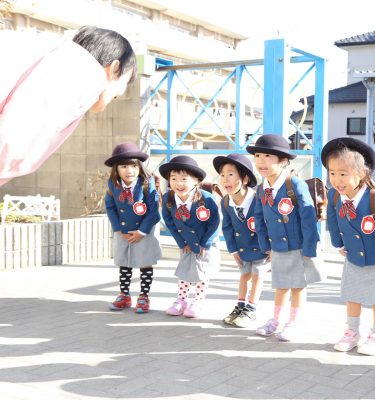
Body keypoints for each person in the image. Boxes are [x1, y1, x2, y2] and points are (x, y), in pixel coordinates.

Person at [0, 25, 137, 186]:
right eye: (126, 81)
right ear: (115, 68)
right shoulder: (83, 74)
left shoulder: (52, 52)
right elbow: (15, 139)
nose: (120, 93)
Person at [323, 138, 375, 356]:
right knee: (353, 296)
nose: (337, 180)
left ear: (361, 174)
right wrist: (338, 243)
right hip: (354, 257)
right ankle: (352, 332)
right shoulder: (334, 196)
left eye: (343, 173)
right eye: (332, 173)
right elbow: (332, 220)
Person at [248, 134, 322, 342]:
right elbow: (259, 219)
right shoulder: (262, 188)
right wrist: (266, 247)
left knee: (298, 286)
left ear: (283, 161)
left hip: (298, 246)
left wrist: (309, 249)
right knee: (280, 285)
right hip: (277, 247)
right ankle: (276, 320)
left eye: (268, 156)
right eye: (258, 156)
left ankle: (293, 322)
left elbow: (309, 220)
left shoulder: (294, 185)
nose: (261, 161)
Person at [160, 156, 220, 318]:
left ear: (196, 181)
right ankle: (181, 299)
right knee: (184, 271)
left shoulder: (206, 198)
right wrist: (181, 243)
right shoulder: (168, 199)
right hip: (186, 242)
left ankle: (198, 301)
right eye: (173, 178)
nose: (178, 183)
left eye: (184, 179)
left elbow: (215, 222)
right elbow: (169, 222)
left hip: (204, 241)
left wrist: (205, 243)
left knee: (201, 272)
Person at [214, 153, 270, 328]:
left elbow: (269, 223)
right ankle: (240, 306)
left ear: (245, 179)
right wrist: (233, 250)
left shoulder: (258, 197)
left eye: (231, 174)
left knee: (257, 275)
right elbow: (227, 228)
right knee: (244, 275)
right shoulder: (225, 202)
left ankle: (250, 309)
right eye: (222, 175)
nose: (225, 180)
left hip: (262, 247)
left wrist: (271, 247)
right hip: (243, 248)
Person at [104, 142, 161, 313]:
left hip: (144, 230)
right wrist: (118, 229)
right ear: (116, 169)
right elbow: (110, 207)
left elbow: (153, 210)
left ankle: (144, 296)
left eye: (133, 166)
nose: (129, 171)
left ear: (139, 166)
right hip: (124, 231)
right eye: (124, 166)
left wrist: (141, 232)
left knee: (145, 263)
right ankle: (124, 295)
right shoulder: (113, 184)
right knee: (125, 262)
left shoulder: (146, 183)